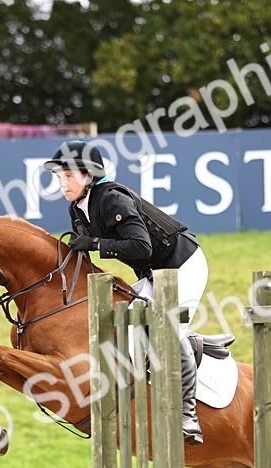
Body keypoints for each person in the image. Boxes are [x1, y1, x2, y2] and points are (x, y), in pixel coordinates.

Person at [44, 139, 208, 446]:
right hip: (152, 273)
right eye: (59, 177)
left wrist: (94, 245)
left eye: (68, 176)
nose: (62, 183)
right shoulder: (78, 209)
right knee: (122, 321)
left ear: (88, 176)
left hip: (183, 264)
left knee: (167, 329)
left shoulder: (112, 199)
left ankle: (188, 415)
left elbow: (141, 247)